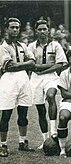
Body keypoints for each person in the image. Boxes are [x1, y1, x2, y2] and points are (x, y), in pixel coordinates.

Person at [27, 20, 68, 149]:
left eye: (45, 29)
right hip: (35, 78)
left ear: (48, 31)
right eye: (40, 29)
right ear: (36, 31)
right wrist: (47, 66)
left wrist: (43, 68)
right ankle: (45, 141)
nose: (42, 32)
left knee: (51, 96)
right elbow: (31, 65)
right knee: (40, 109)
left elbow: (60, 64)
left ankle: (54, 132)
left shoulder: (56, 45)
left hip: (51, 77)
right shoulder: (31, 46)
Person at [0, 18, 36, 157]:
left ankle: (22, 142)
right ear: (6, 29)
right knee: (6, 115)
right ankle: (3, 145)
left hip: (23, 79)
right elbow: (9, 66)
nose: (15, 30)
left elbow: (33, 61)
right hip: (9, 80)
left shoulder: (22, 45)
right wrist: (26, 64)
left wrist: (21, 65)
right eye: (12, 27)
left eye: (17, 27)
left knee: (23, 113)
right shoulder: (3, 47)